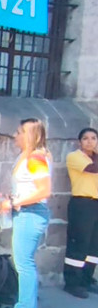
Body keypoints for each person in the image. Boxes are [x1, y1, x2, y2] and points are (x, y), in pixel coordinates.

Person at [0, 118, 51, 308]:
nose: (15, 135)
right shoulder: (27, 156)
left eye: (20, 132)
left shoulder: (36, 158)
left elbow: (44, 190)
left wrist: (14, 202)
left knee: (24, 265)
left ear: (30, 135)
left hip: (31, 213)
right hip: (26, 213)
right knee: (24, 264)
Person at [63, 128, 98, 298]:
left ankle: (86, 279)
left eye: (93, 138)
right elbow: (92, 169)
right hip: (82, 203)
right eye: (85, 138)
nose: (90, 142)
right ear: (80, 142)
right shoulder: (75, 157)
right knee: (79, 243)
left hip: (96, 203)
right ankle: (72, 282)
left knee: (94, 245)